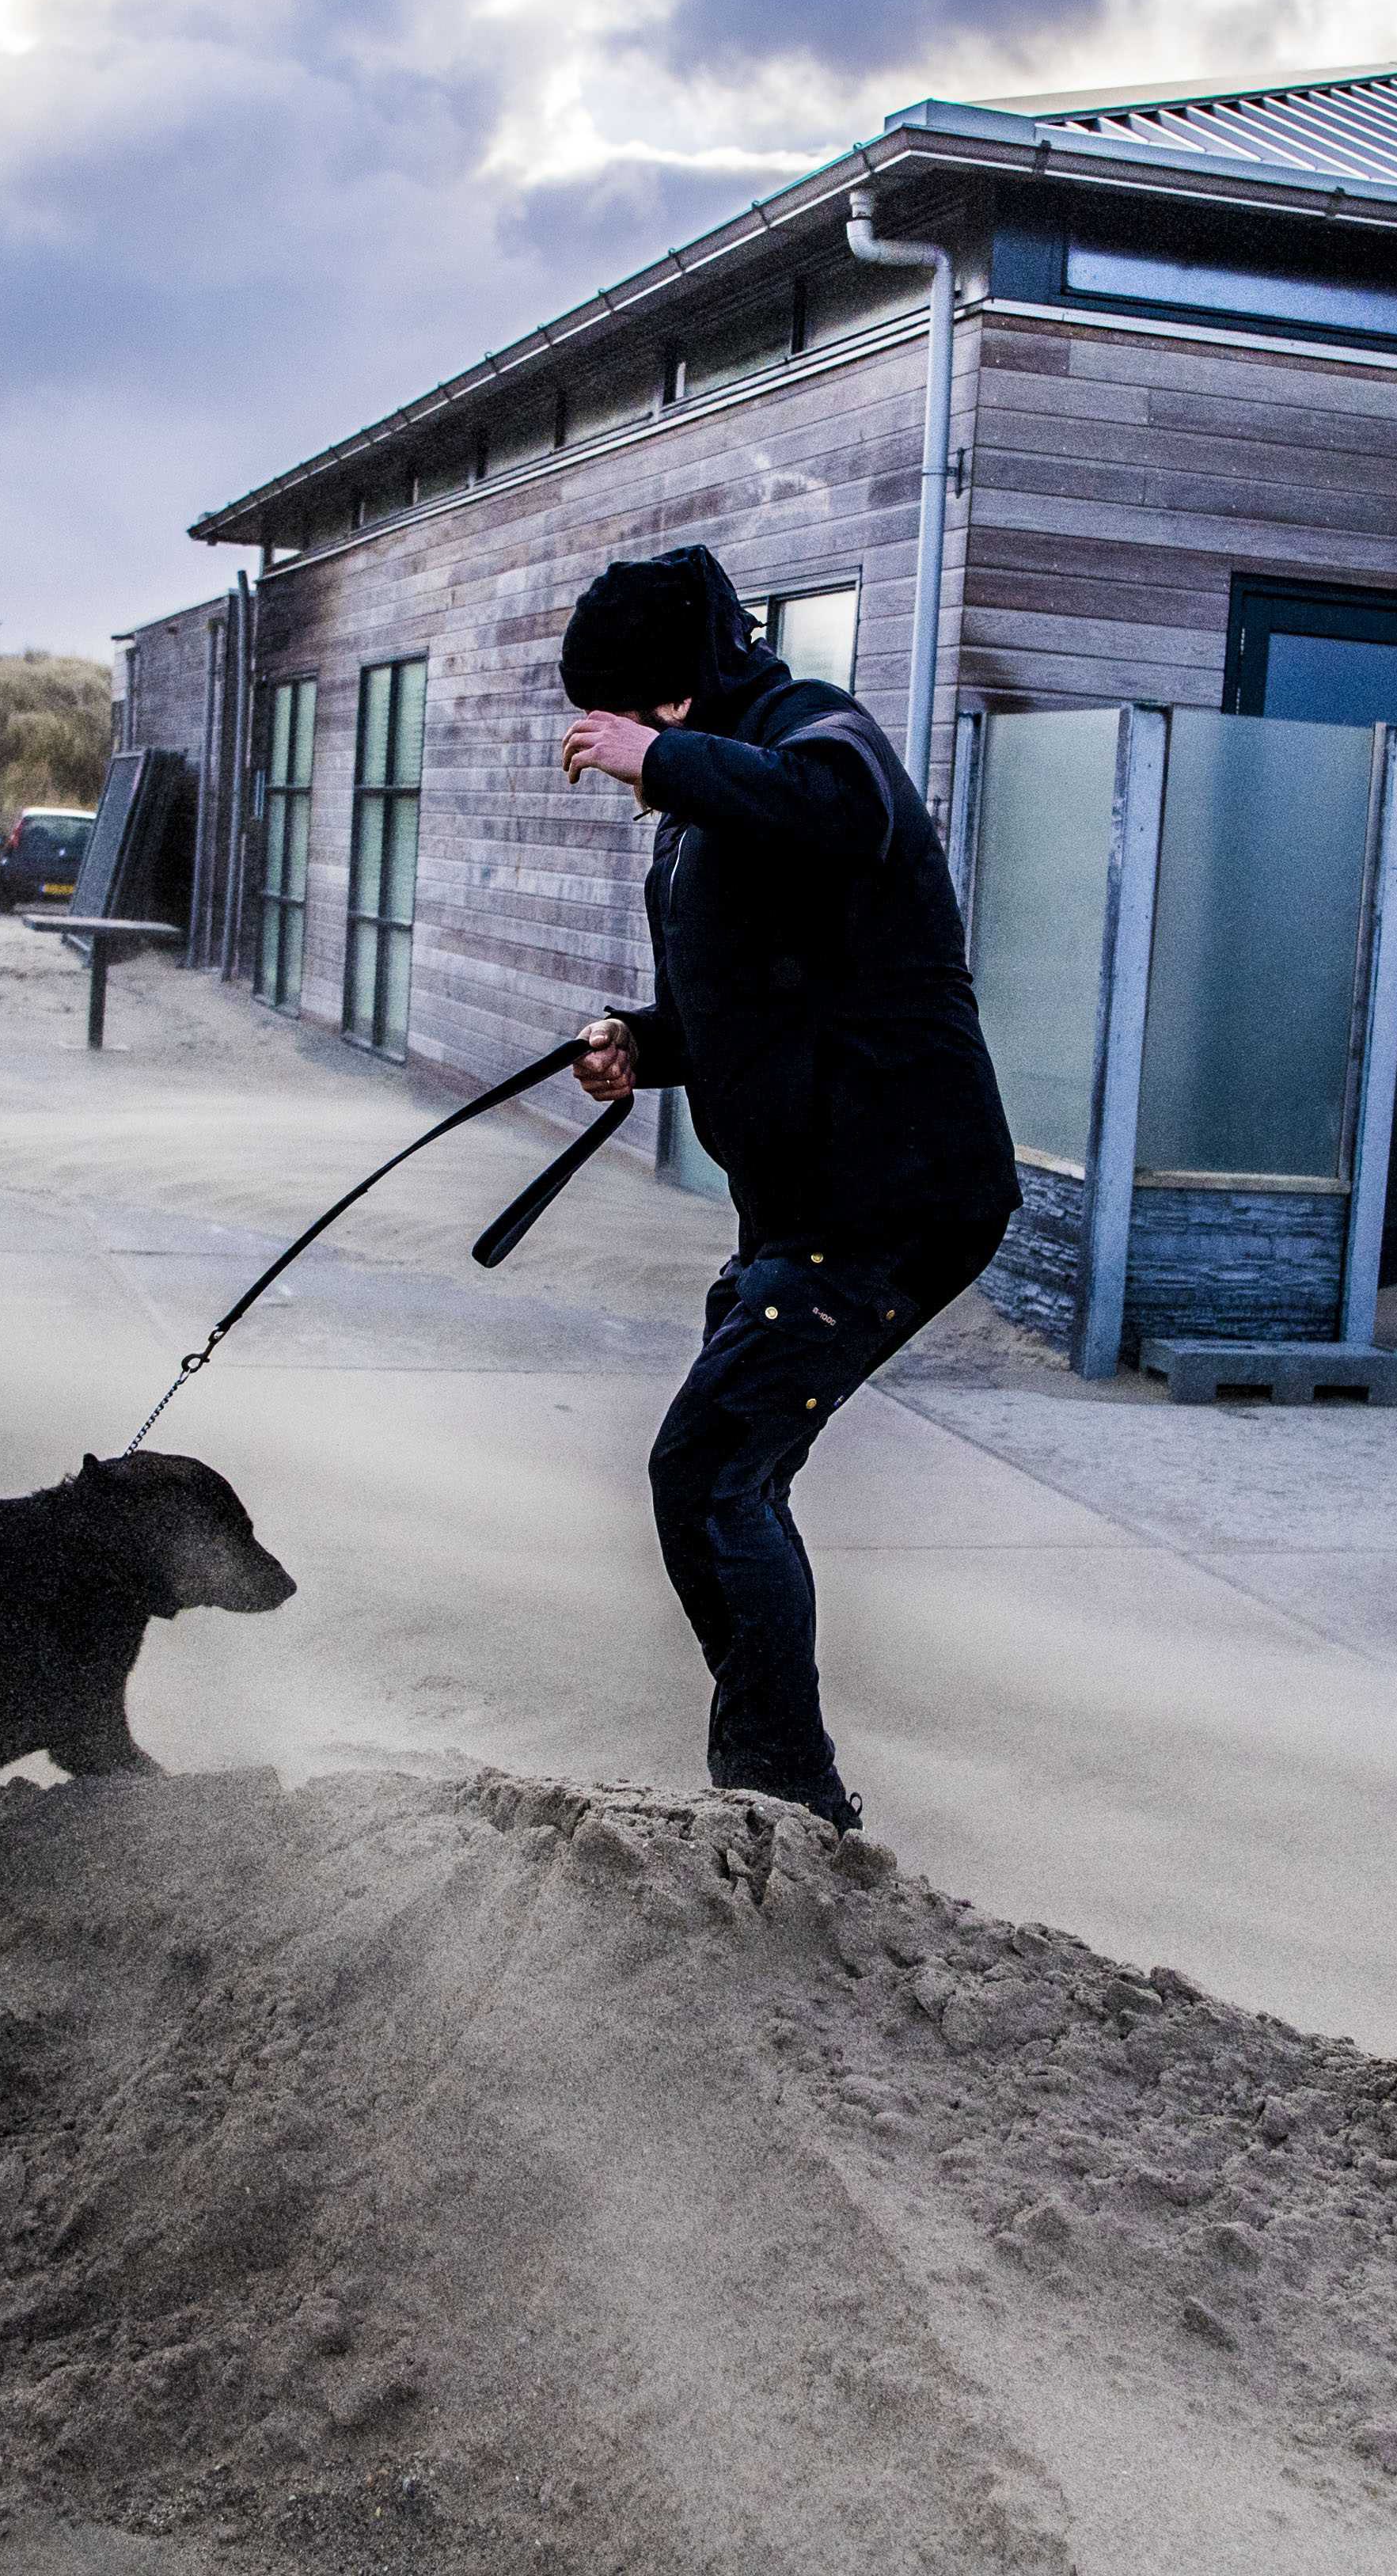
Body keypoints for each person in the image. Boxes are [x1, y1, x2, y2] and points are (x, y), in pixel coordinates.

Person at [557, 545, 1015, 1833]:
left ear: (685, 689)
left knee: (716, 1479)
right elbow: (743, 1009)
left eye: (638, 715)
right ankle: (772, 1775)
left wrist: (659, 763)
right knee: (695, 1476)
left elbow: (838, 809)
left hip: (897, 1199)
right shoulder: (708, 818)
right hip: (808, 1209)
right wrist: (640, 1044)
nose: (625, 746)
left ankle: (784, 1797)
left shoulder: (819, 735)